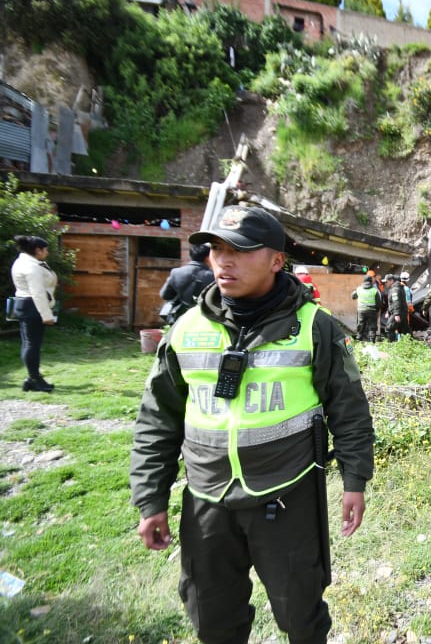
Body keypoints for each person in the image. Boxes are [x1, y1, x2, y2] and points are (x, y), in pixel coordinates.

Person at [129, 204, 374, 644]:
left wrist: (354, 478)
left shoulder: (314, 327)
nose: (223, 261)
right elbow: (157, 419)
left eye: (239, 250)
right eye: (215, 249)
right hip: (206, 498)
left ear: (277, 260)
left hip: (287, 496)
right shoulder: (185, 329)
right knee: (212, 619)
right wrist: (151, 498)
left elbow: (349, 410)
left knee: (302, 617)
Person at [10, 235, 58, 392]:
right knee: (32, 344)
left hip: (25, 304)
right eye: (46, 250)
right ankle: (34, 379)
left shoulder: (24, 262)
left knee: (28, 343)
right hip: (33, 305)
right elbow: (37, 293)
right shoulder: (31, 267)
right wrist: (46, 316)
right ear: (38, 250)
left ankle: (33, 378)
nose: (47, 253)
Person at [159, 244, 215, 325]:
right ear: (207, 258)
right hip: (206, 319)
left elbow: (164, 295)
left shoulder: (176, 272)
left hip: (180, 318)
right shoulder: (213, 276)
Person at [352, 275, 383, 343]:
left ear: (363, 281)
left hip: (361, 310)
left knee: (361, 324)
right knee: (372, 325)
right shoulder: (375, 290)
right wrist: (376, 310)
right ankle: (372, 340)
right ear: (371, 281)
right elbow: (379, 302)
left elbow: (353, 296)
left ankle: (359, 339)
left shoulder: (359, 289)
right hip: (372, 310)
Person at [383, 274, 409, 342]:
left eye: (386, 282)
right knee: (404, 331)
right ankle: (409, 344)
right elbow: (392, 303)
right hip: (401, 312)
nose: (385, 284)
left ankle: (392, 345)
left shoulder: (395, 289)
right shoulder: (397, 288)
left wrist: (397, 314)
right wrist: (388, 311)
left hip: (398, 312)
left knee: (389, 328)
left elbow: (396, 302)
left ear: (391, 281)